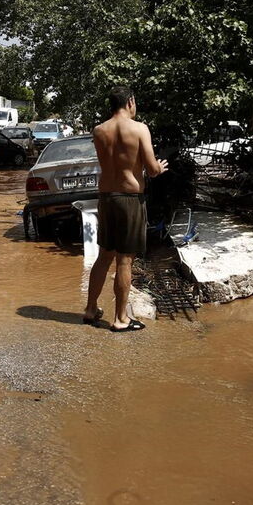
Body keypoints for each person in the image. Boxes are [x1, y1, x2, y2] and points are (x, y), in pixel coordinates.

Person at [84, 86, 169, 332]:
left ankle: (91, 309)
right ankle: (121, 319)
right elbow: (152, 169)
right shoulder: (140, 128)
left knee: (104, 255)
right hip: (130, 199)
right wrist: (159, 168)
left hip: (106, 197)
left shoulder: (99, 130)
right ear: (130, 101)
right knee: (125, 260)